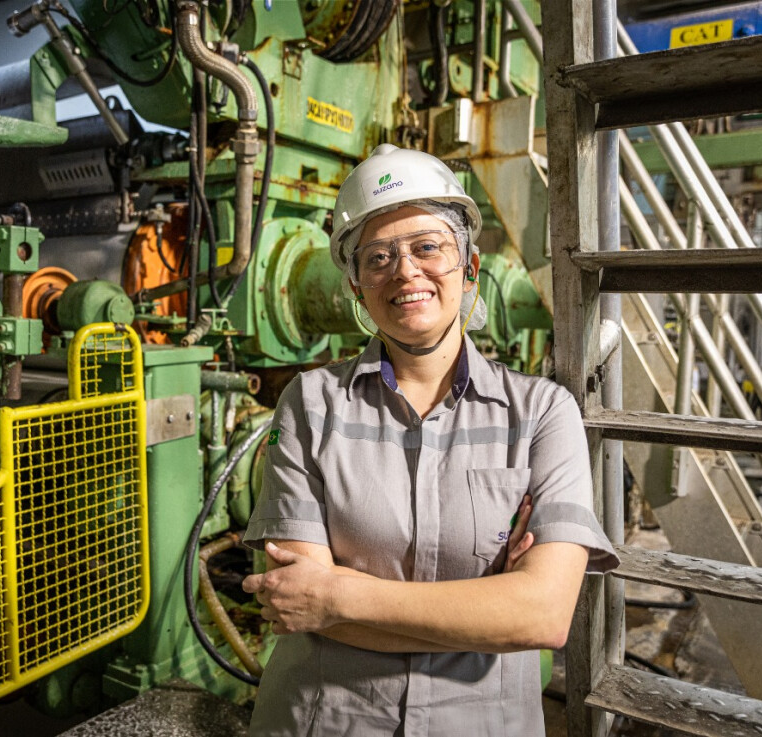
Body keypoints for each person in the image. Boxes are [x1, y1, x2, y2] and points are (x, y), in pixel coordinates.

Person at [241, 144, 619, 736]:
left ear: (468, 264)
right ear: (357, 286)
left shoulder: (544, 413)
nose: (405, 271)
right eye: (378, 257)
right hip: (326, 721)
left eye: (427, 247)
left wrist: (336, 597)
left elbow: (542, 615)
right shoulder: (311, 404)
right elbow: (294, 599)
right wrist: (485, 606)